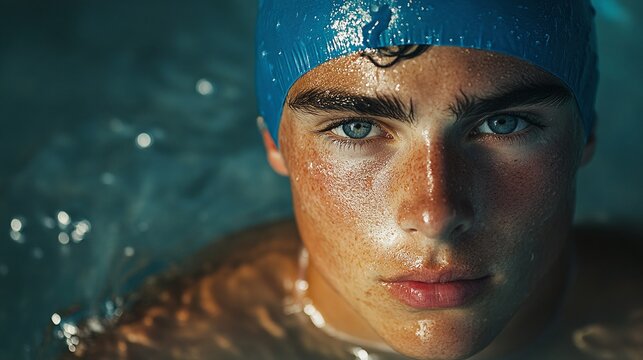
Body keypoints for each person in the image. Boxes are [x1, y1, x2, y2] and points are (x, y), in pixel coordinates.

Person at [64, 1, 643, 359]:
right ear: (274, 143)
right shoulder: (166, 348)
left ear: (585, 135)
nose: (436, 212)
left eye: (504, 123)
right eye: (359, 127)